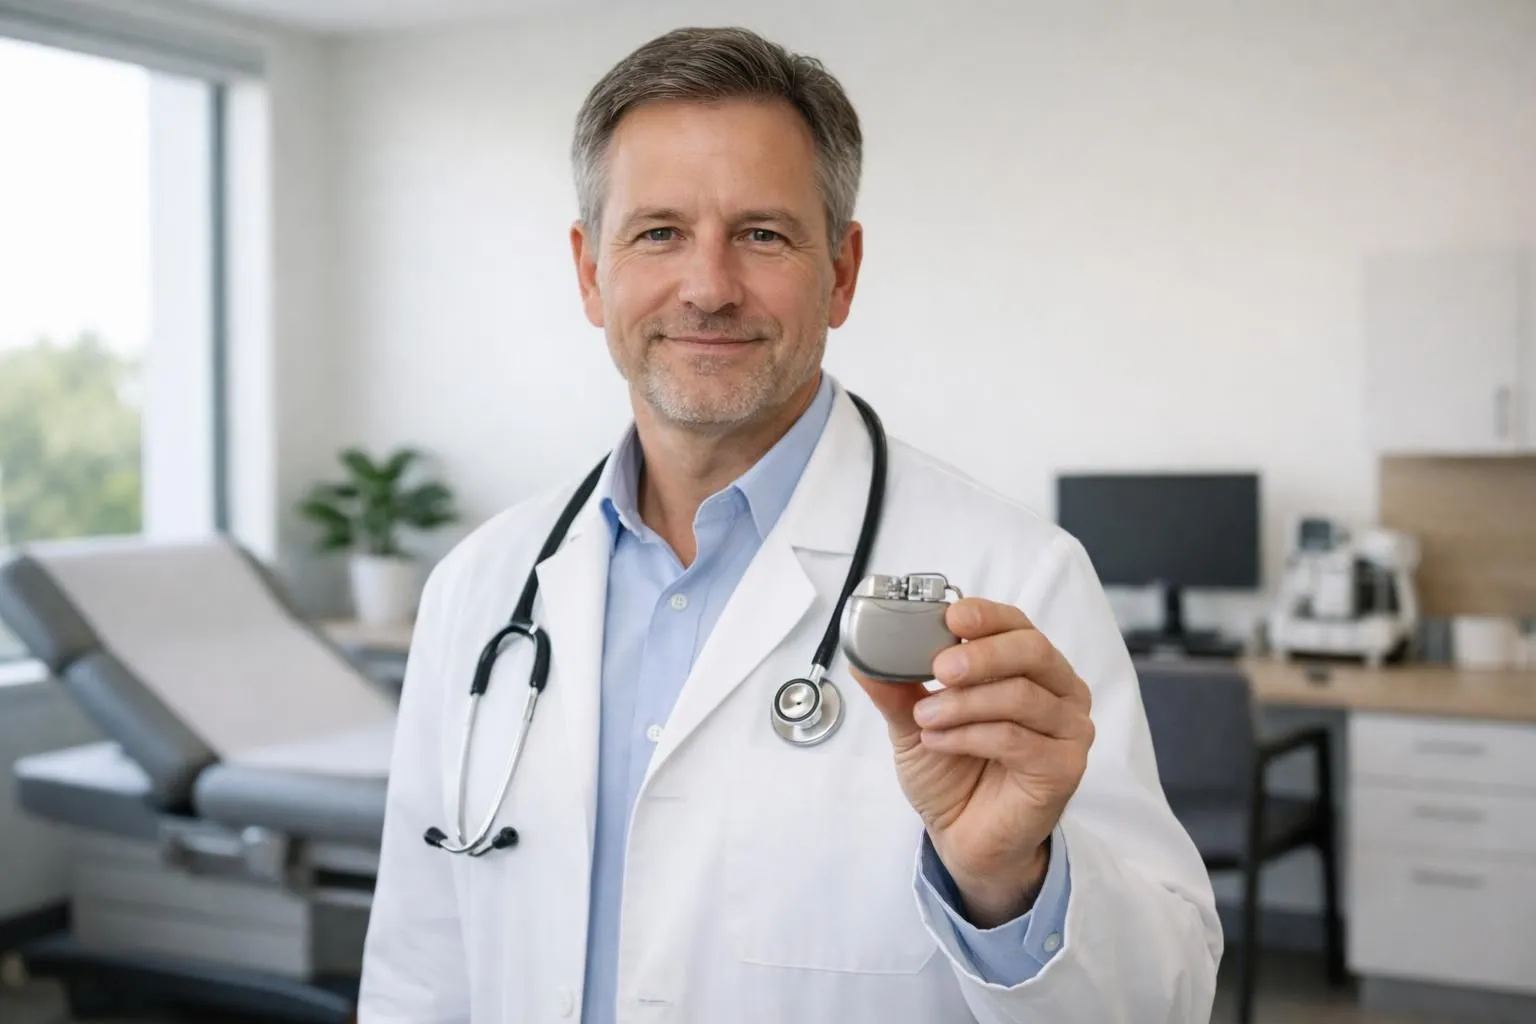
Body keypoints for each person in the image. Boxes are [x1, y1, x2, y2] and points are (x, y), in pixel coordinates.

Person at [358, 25, 1221, 1023]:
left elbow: (1167, 996)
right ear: (590, 273)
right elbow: (419, 967)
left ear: (842, 271)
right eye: (658, 232)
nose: (709, 286)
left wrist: (1009, 882)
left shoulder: (1014, 577)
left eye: (763, 233)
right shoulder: (482, 584)